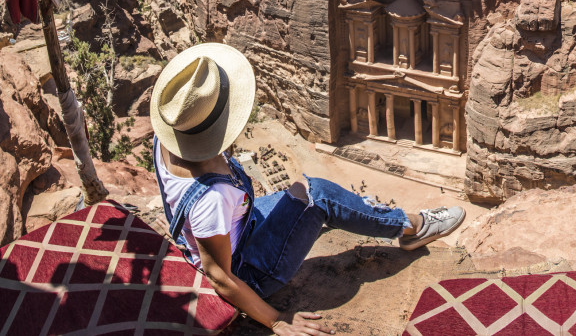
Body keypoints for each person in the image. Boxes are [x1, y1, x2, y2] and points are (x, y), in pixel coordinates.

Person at [150, 43, 465, 336]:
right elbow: (220, 275)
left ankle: (362, 214)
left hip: (240, 229)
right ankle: (411, 228)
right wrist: (277, 320)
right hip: (250, 271)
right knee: (317, 195)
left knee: (303, 197)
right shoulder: (213, 198)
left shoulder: (167, 138)